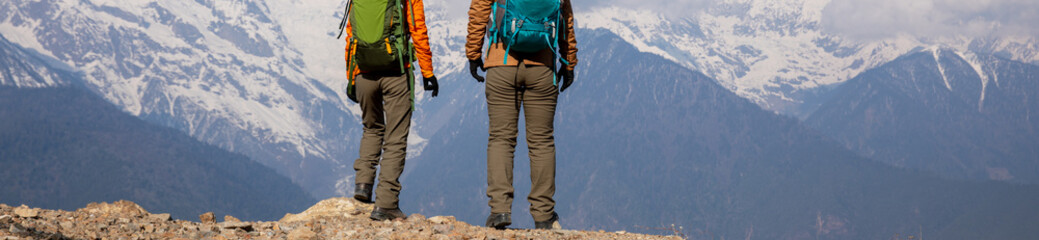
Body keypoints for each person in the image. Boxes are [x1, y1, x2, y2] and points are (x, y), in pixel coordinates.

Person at [465, 0, 578, 230]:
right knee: (542, 142)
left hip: (501, 61)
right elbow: (565, 16)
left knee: (501, 139)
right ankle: (544, 215)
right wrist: (568, 62)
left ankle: (499, 210)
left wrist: (473, 53)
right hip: (543, 66)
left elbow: (479, 8)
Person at [342, 0, 438, 221]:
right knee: (395, 138)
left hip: (364, 71)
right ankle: (386, 204)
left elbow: (351, 32)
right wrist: (428, 72)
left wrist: (351, 76)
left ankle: (363, 185)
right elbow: (417, 27)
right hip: (396, 70)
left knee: (371, 128)